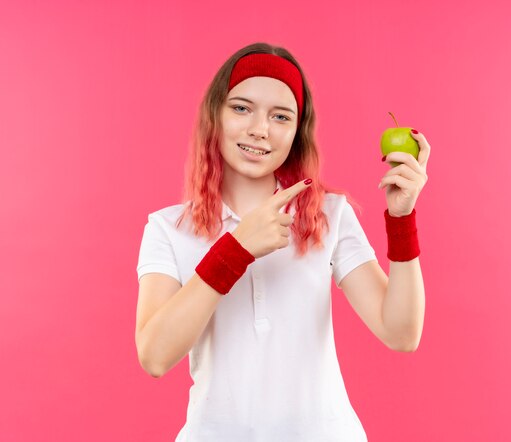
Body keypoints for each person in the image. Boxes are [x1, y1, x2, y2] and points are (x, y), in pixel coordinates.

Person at [135, 42, 427, 441]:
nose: (260, 128)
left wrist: (401, 218)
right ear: (214, 115)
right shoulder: (168, 228)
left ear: (296, 132)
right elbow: (154, 355)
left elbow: (401, 333)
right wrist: (235, 250)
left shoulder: (329, 214)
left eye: (280, 116)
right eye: (241, 108)